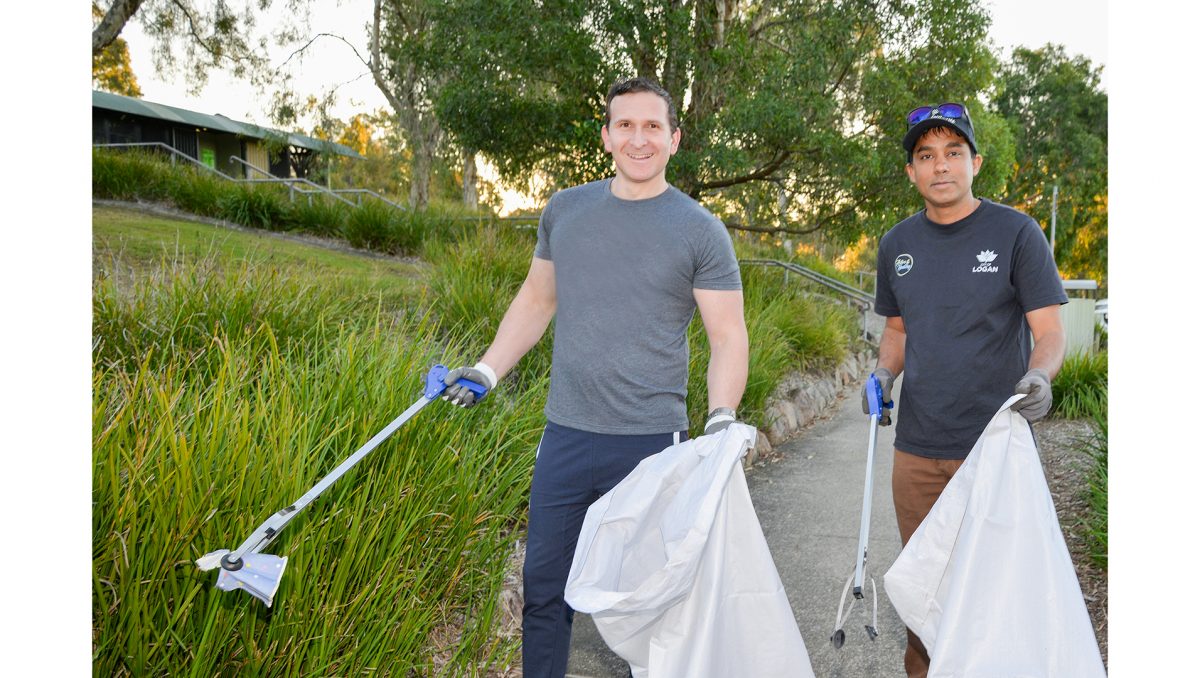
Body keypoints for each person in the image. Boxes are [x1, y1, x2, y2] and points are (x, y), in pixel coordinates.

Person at [441, 76, 750, 678]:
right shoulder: (566, 211)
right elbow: (536, 299)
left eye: (653, 126)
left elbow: (728, 335)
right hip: (565, 435)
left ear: (674, 139)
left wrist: (721, 418)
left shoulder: (699, 229)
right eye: (626, 125)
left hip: (650, 446)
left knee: (652, 603)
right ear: (607, 135)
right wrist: (487, 368)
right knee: (544, 589)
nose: (640, 139)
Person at [863, 102, 1068, 678]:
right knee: (923, 589)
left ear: (975, 161)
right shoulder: (896, 245)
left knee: (997, 588)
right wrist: (883, 374)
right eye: (926, 156)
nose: (941, 166)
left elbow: (1048, 331)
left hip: (996, 447)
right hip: (918, 451)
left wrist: (1039, 375)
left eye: (953, 152)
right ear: (911, 172)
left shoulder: (1016, 232)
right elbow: (898, 331)